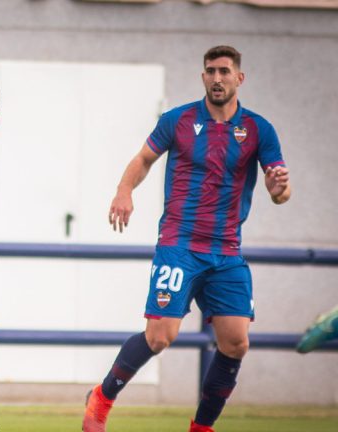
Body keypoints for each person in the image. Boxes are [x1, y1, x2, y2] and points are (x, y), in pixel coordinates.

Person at [83, 45, 291, 432]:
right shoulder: (177, 120)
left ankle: (202, 427)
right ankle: (103, 396)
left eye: (225, 71)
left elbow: (280, 192)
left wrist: (279, 187)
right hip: (179, 244)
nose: (217, 78)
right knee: (161, 336)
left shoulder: (259, 129)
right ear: (203, 77)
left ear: (238, 78)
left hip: (226, 252)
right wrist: (124, 191)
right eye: (210, 71)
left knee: (235, 343)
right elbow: (143, 159)